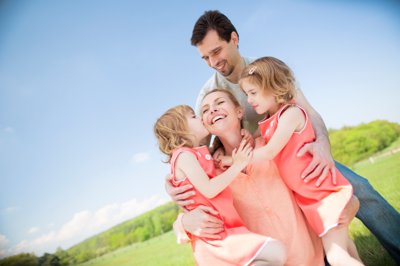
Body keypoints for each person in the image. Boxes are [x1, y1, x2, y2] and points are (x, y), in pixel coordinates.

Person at [167, 10, 400, 263]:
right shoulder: (209, 94)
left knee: (360, 188)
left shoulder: (265, 69)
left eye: (216, 51)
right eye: (205, 58)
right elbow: (198, 150)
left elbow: (308, 112)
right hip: (257, 166)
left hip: (292, 157)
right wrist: (179, 200)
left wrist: (322, 145)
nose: (213, 62)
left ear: (234, 39)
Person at [172, 88, 326, 265]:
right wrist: (183, 223)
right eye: (205, 110)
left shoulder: (272, 146)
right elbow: (193, 205)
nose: (212, 110)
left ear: (239, 111)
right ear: (205, 125)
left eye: (220, 103)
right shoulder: (211, 174)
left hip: (313, 258)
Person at [237, 56, 363, 265]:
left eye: (253, 93)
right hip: (311, 198)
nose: (249, 100)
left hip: (322, 194)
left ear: (272, 87)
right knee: (345, 247)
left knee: (336, 256)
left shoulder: (291, 114)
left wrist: (239, 160)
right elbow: (264, 140)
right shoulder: (270, 121)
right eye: (247, 94)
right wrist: (249, 138)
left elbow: (268, 152)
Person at [154, 104, 287, 265]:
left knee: (273, 255)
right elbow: (209, 189)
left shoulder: (196, 155)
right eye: (194, 117)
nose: (201, 118)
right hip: (215, 237)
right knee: (275, 251)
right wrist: (238, 164)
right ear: (181, 130)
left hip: (224, 229)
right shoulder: (183, 156)